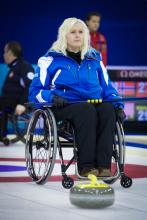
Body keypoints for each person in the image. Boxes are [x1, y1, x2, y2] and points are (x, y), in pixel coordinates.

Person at [29, 17, 125, 177]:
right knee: (86, 110)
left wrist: (118, 106)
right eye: (73, 32)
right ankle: (86, 166)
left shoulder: (95, 58)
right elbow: (35, 92)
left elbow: (107, 87)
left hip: (93, 104)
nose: (77, 35)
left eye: (81, 32)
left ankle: (103, 166)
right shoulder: (50, 59)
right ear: (64, 35)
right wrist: (51, 97)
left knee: (108, 109)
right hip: (63, 106)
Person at [0, 41, 34, 143]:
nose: (3, 55)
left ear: (10, 53)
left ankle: (1, 134)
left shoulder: (24, 67)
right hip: (7, 102)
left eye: (5, 52)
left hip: (17, 103)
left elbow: (30, 85)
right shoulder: (14, 68)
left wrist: (22, 104)